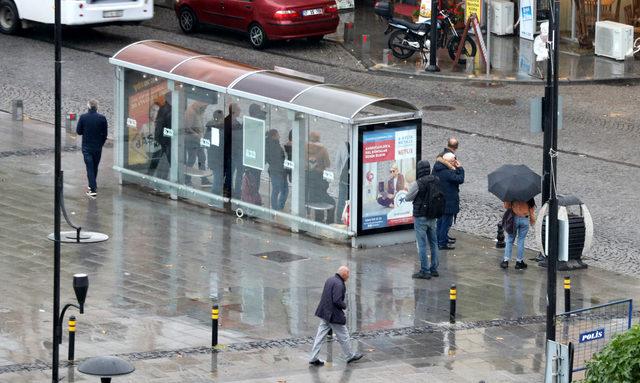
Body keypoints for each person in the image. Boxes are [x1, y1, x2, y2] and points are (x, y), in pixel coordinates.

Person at [309, 266, 364, 366]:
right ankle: (350, 356)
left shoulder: (330, 280)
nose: (348, 276)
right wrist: (344, 305)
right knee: (344, 336)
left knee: (319, 337)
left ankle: (313, 358)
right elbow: (337, 300)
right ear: (343, 274)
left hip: (325, 313)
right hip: (333, 315)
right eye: (348, 274)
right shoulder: (339, 284)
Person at [405, 160, 440, 279]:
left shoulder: (418, 183)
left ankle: (425, 271)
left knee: (422, 245)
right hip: (433, 215)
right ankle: (434, 268)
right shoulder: (436, 179)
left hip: (420, 217)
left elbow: (408, 198)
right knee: (434, 243)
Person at [431, 152, 464, 251]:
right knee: (446, 223)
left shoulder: (437, 168)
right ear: (449, 162)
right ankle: (442, 243)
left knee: (440, 222)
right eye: (454, 160)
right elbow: (460, 179)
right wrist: (460, 168)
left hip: (440, 200)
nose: (456, 162)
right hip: (448, 202)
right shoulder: (447, 172)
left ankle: (440, 240)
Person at [76, 99, 108, 197]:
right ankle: (92, 185)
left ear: (88, 107)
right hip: (97, 147)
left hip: (87, 147)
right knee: (94, 167)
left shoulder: (83, 117)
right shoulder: (102, 118)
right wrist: (101, 143)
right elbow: (105, 134)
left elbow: (79, 131)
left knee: (89, 167)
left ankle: (92, 189)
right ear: (97, 107)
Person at [306, 131, 334, 223]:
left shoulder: (305, 148)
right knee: (331, 202)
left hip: (308, 180)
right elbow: (328, 163)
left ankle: (317, 220)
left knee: (315, 198)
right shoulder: (322, 150)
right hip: (319, 177)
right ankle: (329, 222)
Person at [500, 199, 536, 270]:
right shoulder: (528, 195)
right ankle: (519, 262)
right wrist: (532, 221)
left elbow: (507, 206)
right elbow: (531, 209)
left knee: (510, 239)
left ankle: (505, 261)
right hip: (524, 219)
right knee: (521, 240)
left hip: (514, 219)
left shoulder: (512, 194)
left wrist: (507, 200)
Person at [436, 137, 459, 243]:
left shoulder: (441, 157)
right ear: (456, 147)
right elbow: (458, 178)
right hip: (447, 196)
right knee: (445, 221)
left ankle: (443, 237)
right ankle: (442, 238)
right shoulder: (449, 160)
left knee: (441, 220)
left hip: (441, 195)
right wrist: (459, 169)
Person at [183, 101, 209, 186]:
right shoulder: (191, 112)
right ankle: (186, 179)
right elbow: (187, 128)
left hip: (198, 140)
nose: (205, 109)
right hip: (191, 140)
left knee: (202, 158)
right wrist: (198, 136)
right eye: (205, 106)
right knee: (192, 159)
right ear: (200, 104)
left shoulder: (199, 111)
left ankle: (204, 179)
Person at [149, 94, 172, 178]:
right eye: (153, 110)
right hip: (164, 140)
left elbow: (160, 127)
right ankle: (152, 176)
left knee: (159, 159)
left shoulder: (165, 110)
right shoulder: (166, 108)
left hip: (163, 140)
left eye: (155, 111)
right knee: (166, 160)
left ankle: (150, 176)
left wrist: (157, 140)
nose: (153, 113)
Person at [265, 129, 288, 210]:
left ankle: (278, 207)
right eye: (278, 135)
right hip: (277, 171)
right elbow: (276, 158)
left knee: (281, 190)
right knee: (278, 190)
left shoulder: (273, 144)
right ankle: (276, 208)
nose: (280, 136)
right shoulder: (273, 146)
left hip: (279, 171)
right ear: (274, 136)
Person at [226, 103, 243, 198]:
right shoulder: (235, 124)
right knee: (237, 173)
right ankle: (235, 192)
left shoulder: (227, 121)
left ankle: (230, 190)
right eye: (239, 110)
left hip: (231, 152)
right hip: (235, 152)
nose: (240, 111)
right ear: (234, 112)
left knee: (231, 173)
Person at [205, 109, 224, 194]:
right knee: (218, 179)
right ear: (220, 118)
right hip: (217, 159)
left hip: (212, 157)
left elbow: (206, 141)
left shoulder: (210, 125)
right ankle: (214, 199)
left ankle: (215, 197)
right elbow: (218, 146)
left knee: (218, 178)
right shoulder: (218, 130)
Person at [334, 141, 350, 222]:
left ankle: (339, 220)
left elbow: (337, 164)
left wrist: (338, 176)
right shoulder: (362, 145)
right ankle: (350, 220)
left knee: (341, 201)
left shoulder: (342, 145)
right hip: (353, 181)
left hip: (343, 179)